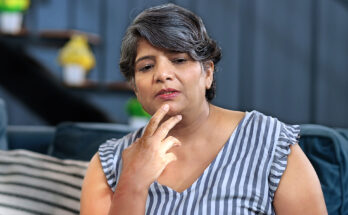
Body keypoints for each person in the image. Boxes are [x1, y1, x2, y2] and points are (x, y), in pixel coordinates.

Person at [80, 3, 327, 215]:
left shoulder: (271, 143)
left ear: (207, 73)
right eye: (146, 67)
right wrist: (131, 184)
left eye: (179, 60)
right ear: (135, 87)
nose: (163, 74)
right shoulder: (109, 163)